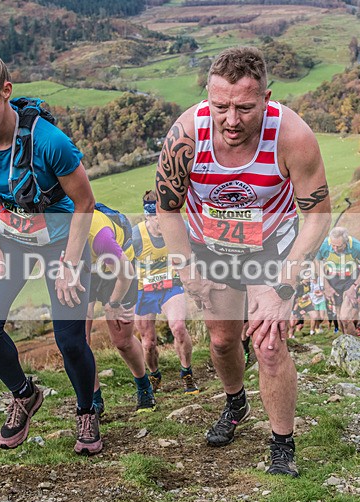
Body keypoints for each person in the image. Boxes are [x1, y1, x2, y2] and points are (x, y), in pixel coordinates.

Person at [155, 46, 332, 477]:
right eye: (221, 107)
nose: (231, 121)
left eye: (245, 108)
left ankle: (282, 444)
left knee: (269, 344)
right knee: (220, 341)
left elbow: (318, 217)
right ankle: (236, 402)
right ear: (207, 98)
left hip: (270, 248)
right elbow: (167, 208)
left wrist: (284, 287)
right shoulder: (186, 136)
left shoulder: (293, 136)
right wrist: (187, 271)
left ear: (266, 99)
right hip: (210, 248)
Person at [0, 45, 101, 455]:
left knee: (69, 340)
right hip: (9, 239)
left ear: (5, 91)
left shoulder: (51, 142)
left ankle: (87, 410)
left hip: (60, 241)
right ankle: (25, 394)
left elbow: (84, 203)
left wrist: (70, 264)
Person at [84, 206, 157, 414]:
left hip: (119, 272)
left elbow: (126, 273)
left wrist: (113, 304)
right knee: (80, 339)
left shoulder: (98, 234)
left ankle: (144, 386)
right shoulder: (56, 233)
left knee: (122, 340)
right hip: (86, 273)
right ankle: (94, 399)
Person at [132, 191, 197, 395]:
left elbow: (194, 250)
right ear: (147, 217)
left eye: (163, 217)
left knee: (178, 327)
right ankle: (154, 375)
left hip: (171, 286)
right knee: (148, 341)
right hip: (144, 291)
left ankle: (186, 373)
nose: (161, 222)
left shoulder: (179, 228)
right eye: (156, 217)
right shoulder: (136, 236)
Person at [316, 227, 360, 336]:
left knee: (345, 317)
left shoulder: (357, 247)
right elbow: (317, 261)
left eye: (338, 246)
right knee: (339, 319)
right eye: (333, 245)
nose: (335, 249)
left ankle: (354, 346)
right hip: (333, 281)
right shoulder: (325, 245)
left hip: (349, 280)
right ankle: (346, 344)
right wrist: (326, 286)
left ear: (345, 243)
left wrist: (354, 286)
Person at [289, 273, 313, 338]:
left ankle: (293, 335)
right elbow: (296, 299)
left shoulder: (306, 285)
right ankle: (290, 335)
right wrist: (294, 311)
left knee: (300, 324)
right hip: (295, 307)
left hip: (301, 305)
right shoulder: (297, 287)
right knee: (292, 323)